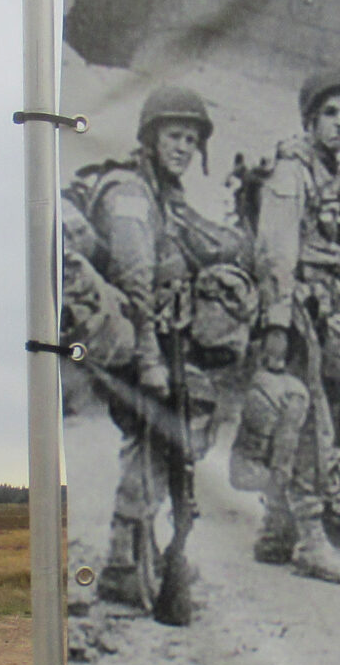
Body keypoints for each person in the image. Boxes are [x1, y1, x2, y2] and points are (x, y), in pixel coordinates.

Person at [73, 87, 257, 607]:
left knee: (161, 448)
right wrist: (151, 363)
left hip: (162, 341)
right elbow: (136, 283)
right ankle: (125, 564)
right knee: (150, 445)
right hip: (137, 343)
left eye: (193, 140)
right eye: (175, 136)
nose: (184, 147)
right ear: (150, 137)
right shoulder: (130, 193)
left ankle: (138, 556)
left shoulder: (164, 195)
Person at [242, 70, 340, 583]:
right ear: (310, 119)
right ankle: (311, 543)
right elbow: (276, 251)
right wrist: (277, 324)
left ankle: (275, 532)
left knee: (292, 426)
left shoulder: (334, 175)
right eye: (331, 114)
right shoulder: (292, 172)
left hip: (322, 310)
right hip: (295, 315)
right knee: (311, 428)